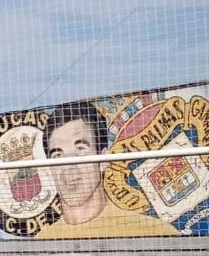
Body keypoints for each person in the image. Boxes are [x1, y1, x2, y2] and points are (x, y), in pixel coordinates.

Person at [36, 102, 179, 239]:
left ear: (103, 160)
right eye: (58, 155)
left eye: (80, 149)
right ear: (49, 169)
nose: (68, 166)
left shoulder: (155, 232)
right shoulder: (42, 241)